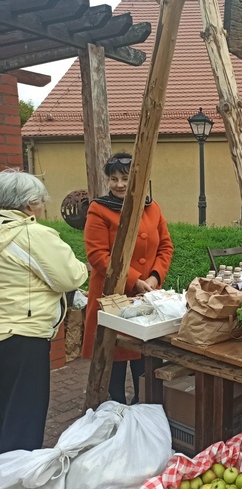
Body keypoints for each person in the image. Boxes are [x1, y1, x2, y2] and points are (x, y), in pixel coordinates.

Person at [0, 169, 88, 452]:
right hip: (24, 337)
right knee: (24, 418)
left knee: (4, 413)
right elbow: (71, 276)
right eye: (39, 201)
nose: (42, 206)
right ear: (28, 204)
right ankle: (17, 477)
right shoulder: (32, 234)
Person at [82, 153, 173, 404]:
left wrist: (155, 277)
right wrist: (134, 280)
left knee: (144, 362)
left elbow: (165, 246)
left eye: (125, 178)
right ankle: (116, 413)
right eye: (113, 179)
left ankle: (143, 411)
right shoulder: (99, 209)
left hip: (147, 297)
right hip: (113, 297)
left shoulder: (152, 207)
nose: (119, 184)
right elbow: (98, 255)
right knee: (115, 361)